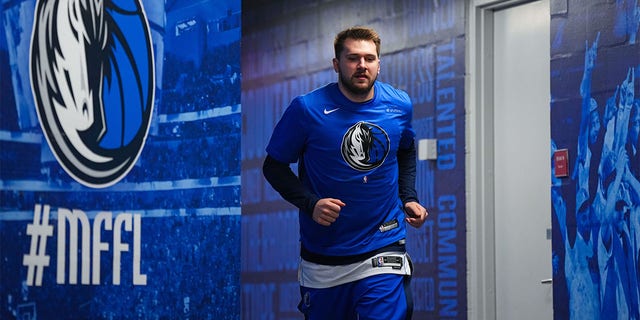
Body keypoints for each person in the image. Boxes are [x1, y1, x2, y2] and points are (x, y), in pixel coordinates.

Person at [262, 26, 428, 319]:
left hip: (383, 245)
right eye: (353, 58)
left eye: (369, 58)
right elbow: (273, 166)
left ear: (379, 63)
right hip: (324, 257)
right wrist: (311, 204)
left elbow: (405, 149)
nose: (362, 65)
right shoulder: (307, 109)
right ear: (337, 64)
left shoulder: (399, 105)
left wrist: (408, 197)